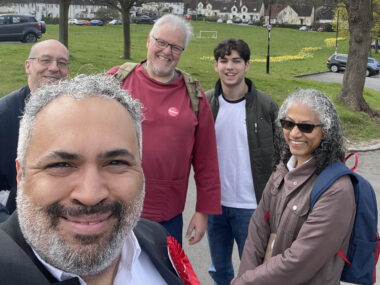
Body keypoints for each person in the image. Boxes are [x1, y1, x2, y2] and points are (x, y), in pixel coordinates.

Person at [0, 74, 186, 285]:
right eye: (61, 165)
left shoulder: (156, 239)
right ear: (21, 174)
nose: (90, 195)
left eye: (116, 163)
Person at [107, 14, 221, 245]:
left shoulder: (194, 95)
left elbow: (206, 159)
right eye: (161, 43)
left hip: (167, 216)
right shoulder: (116, 81)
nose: (167, 52)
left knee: (163, 278)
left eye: (176, 47)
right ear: (149, 41)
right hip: (114, 209)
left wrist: (202, 212)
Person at [232, 89, 356, 285]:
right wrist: (245, 276)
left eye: (306, 127)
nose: (294, 133)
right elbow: (258, 228)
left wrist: (246, 281)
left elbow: (300, 261)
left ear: (325, 131)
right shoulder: (283, 167)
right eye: (288, 124)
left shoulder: (337, 190)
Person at [205, 38, 278, 285]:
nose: (230, 67)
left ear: (247, 65)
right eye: (223, 61)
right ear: (215, 65)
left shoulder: (267, 107)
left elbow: (282, 157)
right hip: (215, 206)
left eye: (236, 61)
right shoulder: (205, 104)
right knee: (219, 270)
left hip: (252, 207)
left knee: (253, 273)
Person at [0, 39, 70, 221]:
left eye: (61, 63)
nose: (54, 68)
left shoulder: (76, 114)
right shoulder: (3, 114)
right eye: (45, 60)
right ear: (28, 66)